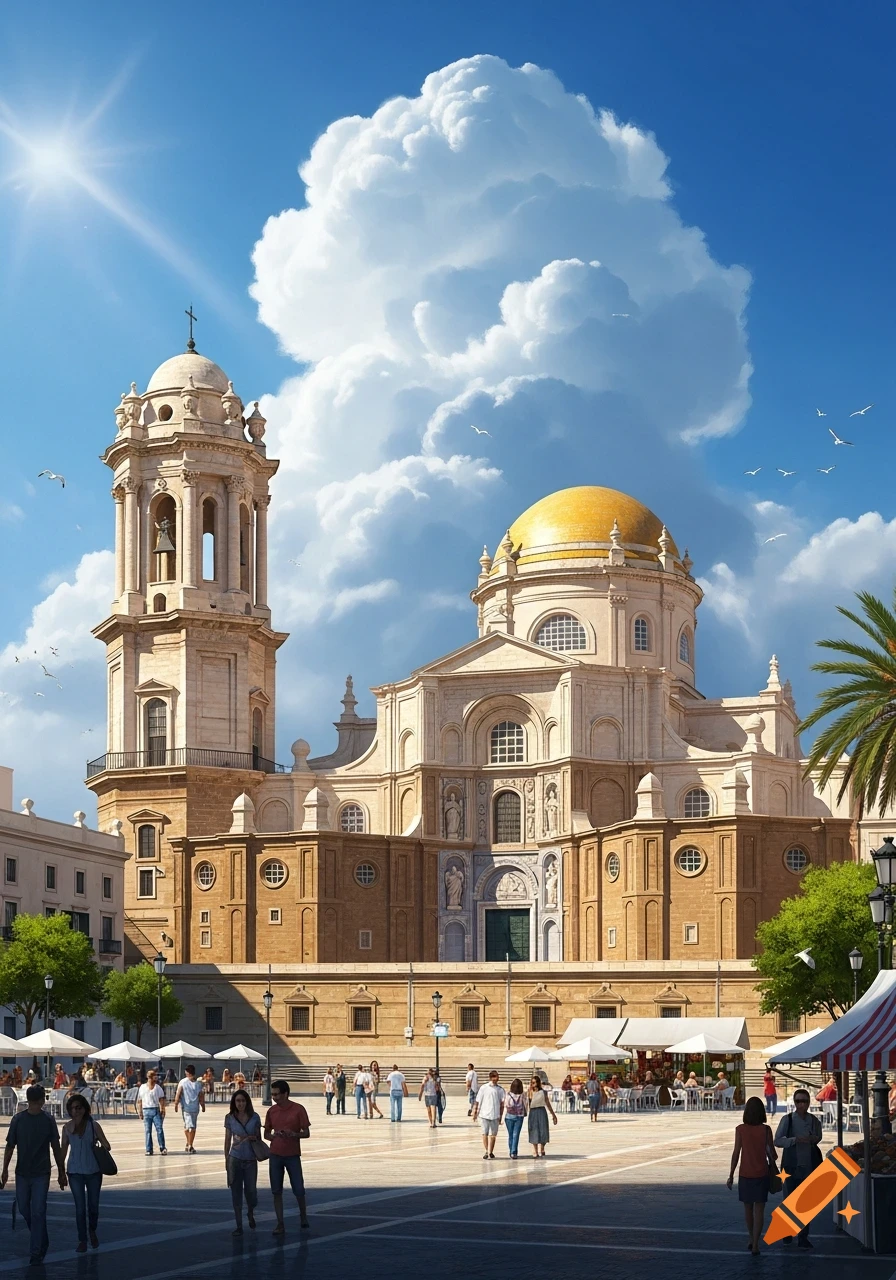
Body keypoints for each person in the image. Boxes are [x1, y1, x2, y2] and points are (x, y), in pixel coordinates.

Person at [1, 1084, 67, 1265]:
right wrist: (5, 1169)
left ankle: (36, 1251)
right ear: (39, 1100)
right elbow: (10, 1146)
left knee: (38, 1211)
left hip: (41, 1173)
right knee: (24, 1208)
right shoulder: (18, 1120)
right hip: (22, 1172)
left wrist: (61, 1171)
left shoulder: (48, 1120)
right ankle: (42, 1238)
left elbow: (55, 1147)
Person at [726, 1095, 777, 1255]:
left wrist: (731, 1174)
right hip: (762, 1173)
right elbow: (773, 1155)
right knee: (760, 1210)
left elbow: (736, 1153)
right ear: (761, 1112)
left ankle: (750, 1237)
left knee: (747, 1209)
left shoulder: (740, 1129)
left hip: (745, 1173)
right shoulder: (766, 1130)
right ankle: (756, 1244)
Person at [61, 1094, 111, 1253]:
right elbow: (63, 1150)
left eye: (79, 1108)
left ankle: (92, 1230)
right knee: (79, 1208)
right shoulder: (66, 1128)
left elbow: (107, 1145)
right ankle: (82, 1239)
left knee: (93, 1206)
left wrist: (101, 1143)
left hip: (93, 1171)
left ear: (85, 1109)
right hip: (74, 1171)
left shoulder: (93, 1125)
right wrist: (61, 1172)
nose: (76, 1111)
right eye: (73, 1108)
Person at [774, 1088, 823, 1249]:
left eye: (804, 1101)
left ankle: (803, 1236)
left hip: (808, 1164)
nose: (801, 1104)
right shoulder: (787, 1120)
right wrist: (794, 1140)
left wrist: (812, 1139)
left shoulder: (814, 1121)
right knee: (788, 1200)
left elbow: (818, 1137)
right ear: (794, 1103)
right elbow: (778, 1140)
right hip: (790, 1165)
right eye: (798, 1101)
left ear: (809, 1103)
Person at [263, 1080, 310, 1234]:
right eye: (273, 1094)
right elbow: (266, 1134)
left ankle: (303, 1216)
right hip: (275, 1154)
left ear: (285, 1094)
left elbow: (306, 1133)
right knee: (276, 1191)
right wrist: (274, 1136)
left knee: (298, 1189)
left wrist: (294, 1134)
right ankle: (280, 1223)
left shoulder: (298, 1109)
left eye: (277, 1094)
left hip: (292, 1155)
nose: (274, 1097)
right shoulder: (271, 1111)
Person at [224, 1088, 261, 1235]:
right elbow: (227, 1139)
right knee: (236, 1192)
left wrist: (254, 1138)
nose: (240, 1104)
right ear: (234, 1102)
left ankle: (250, 1212)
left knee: (251, 1191)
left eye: (243, 1101)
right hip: (235, 1158)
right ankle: (239, 1225)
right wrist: (226, 1159)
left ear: (247, 1102)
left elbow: (259, 1138)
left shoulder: (255, 1117)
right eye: (238, 1101)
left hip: (251, 1159)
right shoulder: (230, 1117)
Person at [472, 1070, 506, 1159]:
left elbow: (502, 1103)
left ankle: (491, 1151)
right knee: (485, 1133)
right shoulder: (484, 1088)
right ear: (491, 1078)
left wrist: (501, 1116)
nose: (497, 1078)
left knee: (493, 1134)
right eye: (495, 1077)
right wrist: (475, 1112)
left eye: (497, 1077)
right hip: (484, 1114)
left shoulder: (500, 1089)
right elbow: (478, 1100)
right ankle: (487, 1151)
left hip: (495, 1114)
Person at [174, 1064, 206, 1154]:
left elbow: (200, 1095)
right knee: (188, 1127)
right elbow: (179, 1093)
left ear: (188, 1073)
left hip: (193, 1108)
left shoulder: (197, 1084)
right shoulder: (183, 1082)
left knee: (191, 1127)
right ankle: (189, 1144)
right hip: (186, 1109)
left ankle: (189, 1144)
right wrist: (176, 1104)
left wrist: (203, 1106)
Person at [137, 1068, 167, 1155]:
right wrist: (140, 1112)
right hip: (146, 1110)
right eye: (154, 1076)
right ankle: (149, 1149)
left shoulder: (158, 1088)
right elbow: (140, 1100)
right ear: (149, 1078)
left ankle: (162, 1147)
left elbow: (161, 1099)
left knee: (159, 1129)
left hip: (155, 1110)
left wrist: (162, 1109)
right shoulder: (142, 1087)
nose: (156, 1078)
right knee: (148, 1131)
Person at [527, 1076, 557, 1158]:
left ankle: (542, 1148)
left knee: (543, 1130)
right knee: (534, 1130)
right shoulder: (530, 1091)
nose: (533, 1084)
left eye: (535, 1082)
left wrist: (553, 1115)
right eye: (532, 1083)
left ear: (538, 1083)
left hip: (541, 1111)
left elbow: (547, 1103)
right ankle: (535, 1149)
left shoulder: (543, 1092)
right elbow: (527, 1104)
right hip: (533, 1112)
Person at [504, 1078, 527, 1158]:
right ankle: (514, 1152)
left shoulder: (508, 1094)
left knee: (510, 1134)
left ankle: (511, 1151)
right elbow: (526, 1104)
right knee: (516, 1134)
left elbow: (506, 1104)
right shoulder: (523, 1094)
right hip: (519, 1116)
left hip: (509, 1116)